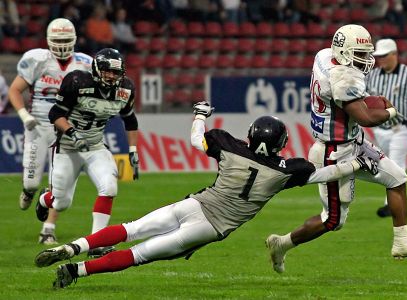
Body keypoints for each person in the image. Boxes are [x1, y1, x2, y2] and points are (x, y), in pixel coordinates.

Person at [34, 105, 378, 289]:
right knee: (139, 254)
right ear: (281, 144)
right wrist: (357, 162)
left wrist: (200, 114)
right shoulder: (288, 169)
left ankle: (75, 245)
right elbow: (328, 173)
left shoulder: (229, 145)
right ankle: (77, 270)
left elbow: (197, 140)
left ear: (250, 135)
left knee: (130, 228)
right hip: (211, 226)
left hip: (195, 203)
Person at [265, 24, 407, 274]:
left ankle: (401, 243)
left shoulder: (324, 55)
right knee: (333, 221)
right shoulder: (343, 77)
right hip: (334, 152)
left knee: (397, 178)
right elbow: (365, 116)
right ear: (344, 52)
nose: (366, 60)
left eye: (366, 53)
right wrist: (390, 111)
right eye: (360, 54)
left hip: (354, 142)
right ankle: (282, 244)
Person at [34, 47, 140, 258]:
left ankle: (96, 242)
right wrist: (73, 134)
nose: (111, 75)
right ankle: (44, 199)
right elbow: (56, 113)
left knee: (109, 187)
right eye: (106, 70)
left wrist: (133, 150)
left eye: (115, 72)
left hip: (95, 146)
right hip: (67, 148)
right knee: (61, 203)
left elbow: (130, 119)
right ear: (95, 69)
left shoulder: (126, 88)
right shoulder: (77, 82)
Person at [8, 18, 92, 245]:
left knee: (60, 187)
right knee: (32, 183)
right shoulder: (37, 60)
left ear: (74, 39)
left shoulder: (85, 63)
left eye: (66, 40)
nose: (62, 44)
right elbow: (15, 90)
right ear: (48, 40)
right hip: (39, 126)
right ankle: (29, 190)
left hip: (66, 129)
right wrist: (25, 115)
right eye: (58, 40)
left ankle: (48, 228)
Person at [367, 38, 407, 217]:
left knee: (396, 163)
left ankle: (390, 205)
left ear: (395, 54)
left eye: (384, 56)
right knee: (387, 165)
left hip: (402, 127)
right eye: (378, 56)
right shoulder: (372, 75)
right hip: (381, 129)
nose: (380, 60)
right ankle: (401, 204)